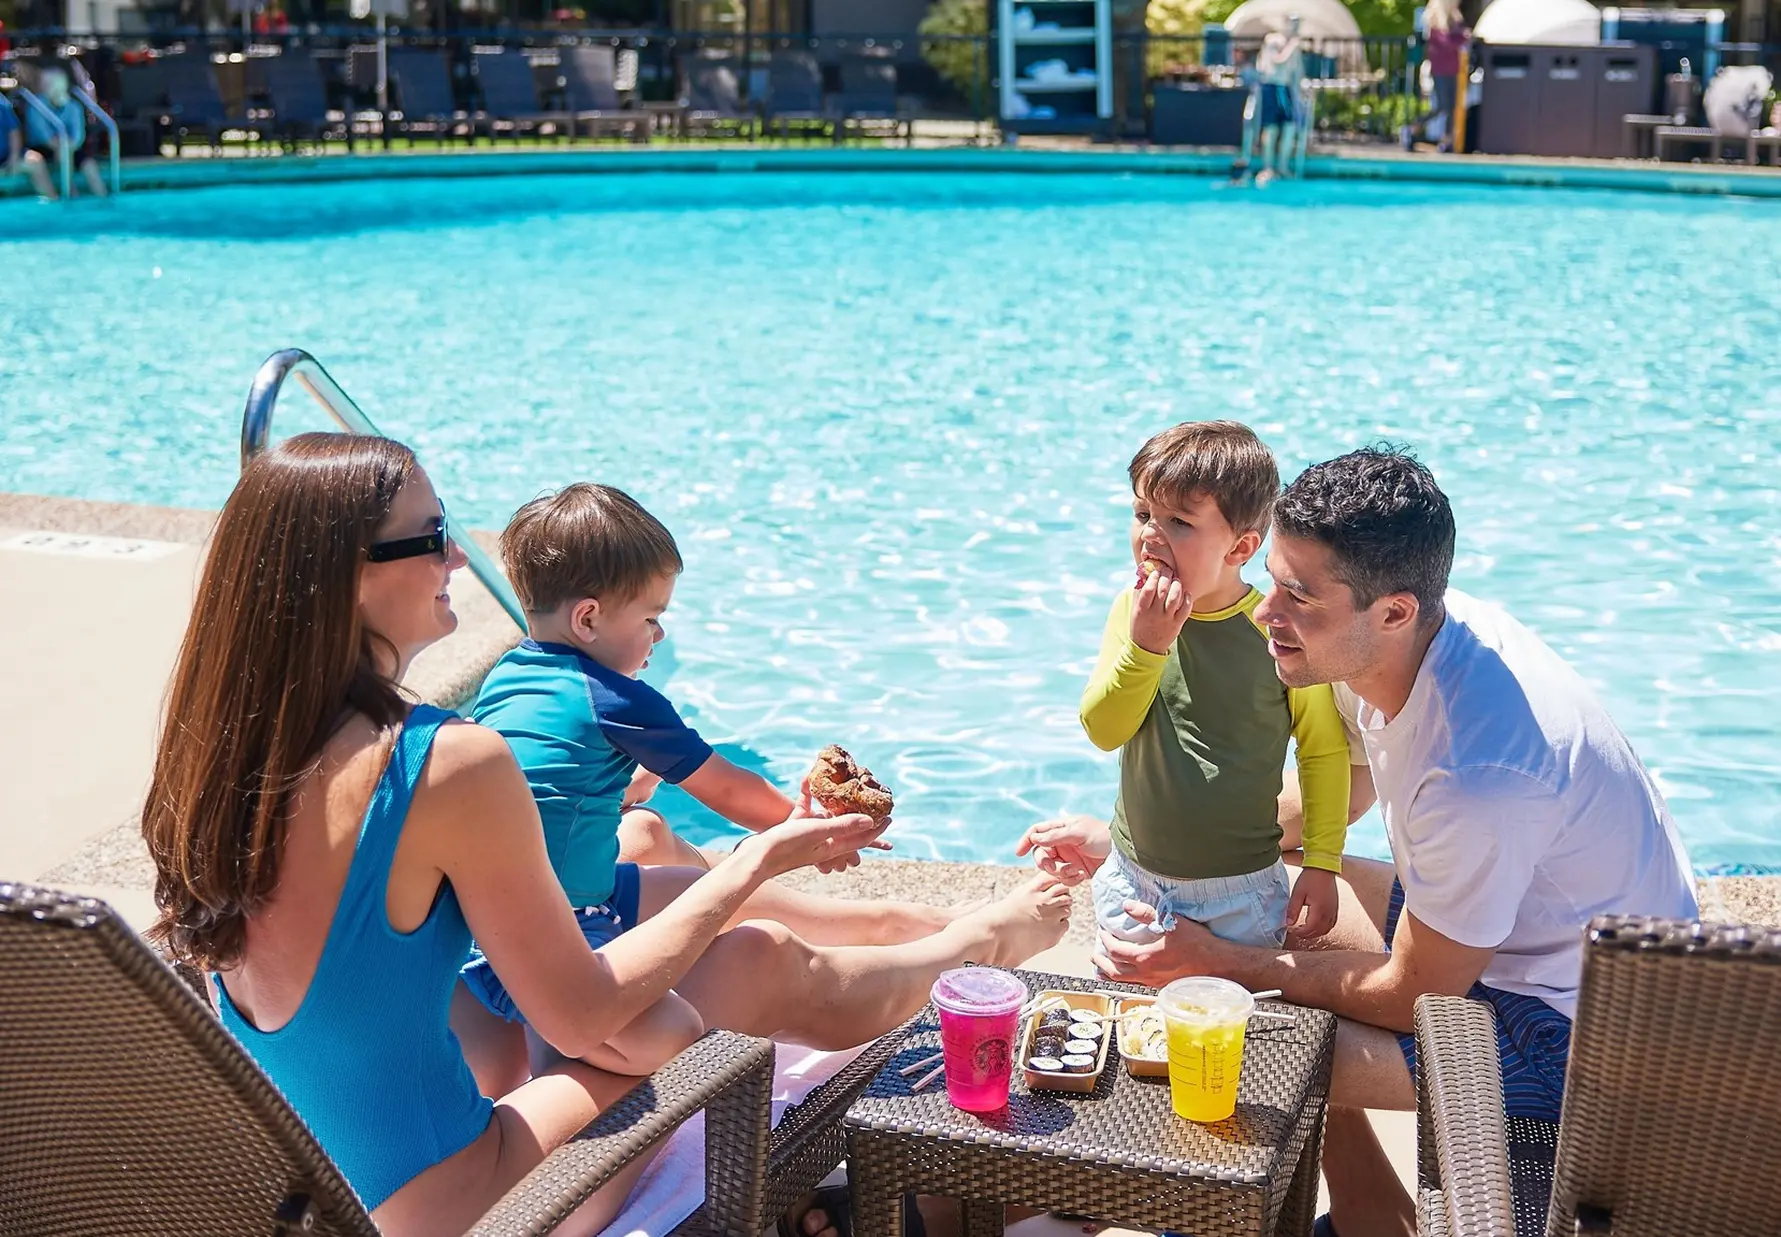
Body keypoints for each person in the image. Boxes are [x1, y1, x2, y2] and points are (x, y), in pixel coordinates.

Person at [142, 433, 1073, 1237]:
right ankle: (971, 951)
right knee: (695, 1011)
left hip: (329, 1184)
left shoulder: (226, 756)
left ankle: (924, 944)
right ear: (350, 574)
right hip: (471, 1207)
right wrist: (751, 859)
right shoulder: (442, 765)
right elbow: (584, 1016)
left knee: (640, 855)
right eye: (433, 536)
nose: (460, 560)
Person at [1087, 448, 1699, 1237]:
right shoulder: (1395, 635)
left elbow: (1418, 995)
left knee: (1230, 1031)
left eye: (1297, 595)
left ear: (1393, 610)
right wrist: (1136, 844)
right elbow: (1332, 791)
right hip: (1506, 923)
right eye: (1272, 577)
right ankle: (1374, 1217)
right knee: (1263, 897)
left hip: (1569, 1033)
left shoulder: (1479, 773)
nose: (1265, 611)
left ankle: (1229, 1217)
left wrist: (1222, 961)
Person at [459, 481, 997, 1086]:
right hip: (555, 939)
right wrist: (813, 830)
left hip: (510, 916)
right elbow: (728, 789)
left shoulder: (509, 675)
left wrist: (620, 788)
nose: (658, 638)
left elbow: (550, 780)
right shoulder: (617, 699)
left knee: (698, 890)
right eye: (651, 620)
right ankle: (555, 1053)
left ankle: (909, 924)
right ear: (588, 618)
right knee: (670, 1034)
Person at [1015, 421, 1350, 954]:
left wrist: (1323, 861)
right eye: (1142, 513)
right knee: (1130, 1018)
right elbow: (1104, 730)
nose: (1150, 534)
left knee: (1228, 1025)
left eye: (1178, 521)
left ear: (1240, 546)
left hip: (1239, 890)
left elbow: (1323, 749)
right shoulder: (1132, 612)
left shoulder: (1275, 630)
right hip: (1134, 874)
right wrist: (1147, 647)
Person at [22, 66, 106, 200]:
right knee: (63, 150)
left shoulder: (73, 106)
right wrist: (62, 146)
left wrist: (68, 146)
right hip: (43, 147)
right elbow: (43, 135)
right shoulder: (36, 105)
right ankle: (69, 193)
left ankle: (104, 201)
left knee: (90, 166)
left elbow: (78, 136)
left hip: (70, 147)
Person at [1252, 15, 1306, 184]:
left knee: (1289, 128)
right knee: (1271, 129)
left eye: (1298, 23)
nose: (1295, 27)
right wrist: (1292, 46)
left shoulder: (1295, 45)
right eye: (1293, 23)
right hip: (1272, 87)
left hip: (1286, 90)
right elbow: (1278, 62)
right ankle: (1267, 167)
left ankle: (1283, 167)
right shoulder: (1273, 40)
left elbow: (1297, 71)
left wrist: (1302, 89)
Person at [1423, 0, 1470, 153]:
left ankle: (1447, 139)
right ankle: (1413, 127)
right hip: (1440, 69)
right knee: (1441, 106)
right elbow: (1446, 43)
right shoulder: (1434, 21)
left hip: (1453, 69)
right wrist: (1463, 37)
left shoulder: (1454, 20)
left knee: (1452, 106)